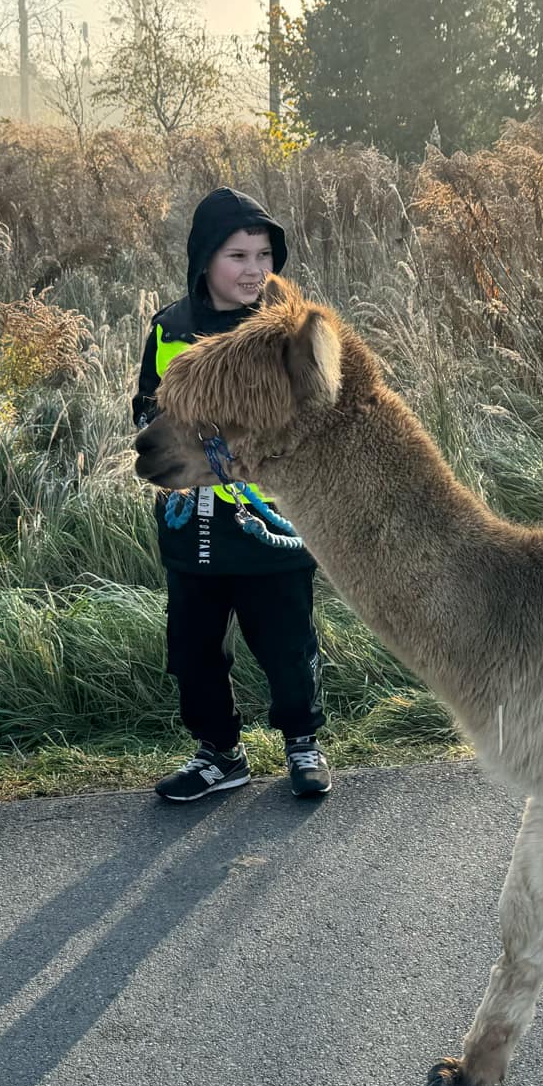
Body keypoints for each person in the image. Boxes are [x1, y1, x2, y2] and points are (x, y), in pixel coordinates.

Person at [132, 187, 332, 802]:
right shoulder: (171, 328)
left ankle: (303, 742)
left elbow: (307, 421)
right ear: (204, 261)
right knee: (193, 649)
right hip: (192, 522)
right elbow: (147, 412)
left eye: (264, 255)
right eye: (237, 256)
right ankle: (219, 752)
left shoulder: (282, 339)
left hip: (271, 521)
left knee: (286, 642)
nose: (254, 271)